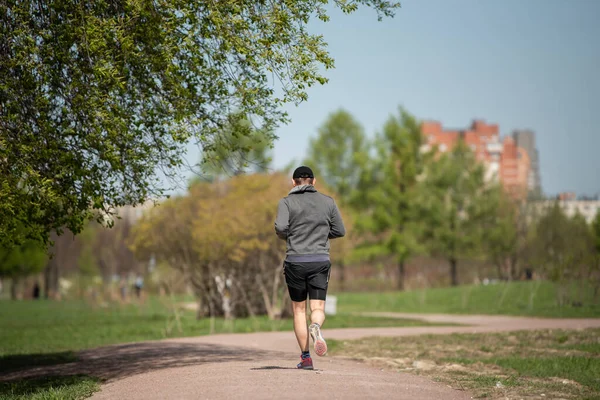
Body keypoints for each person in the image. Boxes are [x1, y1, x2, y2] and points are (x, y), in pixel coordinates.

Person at [274, 166, 346, 370]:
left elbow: (280, 228)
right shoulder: (328, 202)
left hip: (295, 260)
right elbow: (340, 230)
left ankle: (306, 357)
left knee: (298, 310)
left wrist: (292, 236)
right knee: (318, 307)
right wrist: (321, 236)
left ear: (293, 182)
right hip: (320, 260)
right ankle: (316, 326)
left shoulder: (286, 202)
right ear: (314, 182)